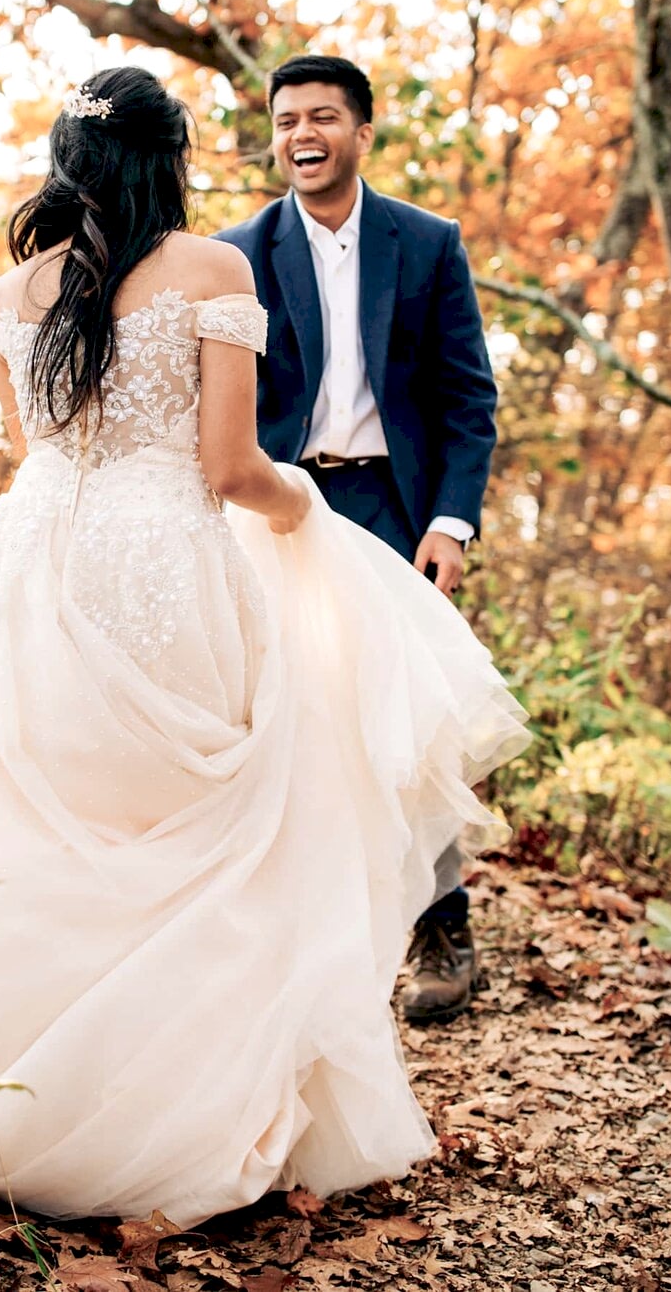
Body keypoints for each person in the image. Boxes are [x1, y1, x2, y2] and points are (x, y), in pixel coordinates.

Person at [0, 64, 527, 1226]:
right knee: (198, 829)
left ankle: (13, 1093)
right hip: (162, 568)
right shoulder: (210, 267)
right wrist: (305, 521)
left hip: (25, 567)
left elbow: (39, 453)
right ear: (170, 156)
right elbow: (230, 469)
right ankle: (174, 1116)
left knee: (35, 819)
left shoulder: (12, 288)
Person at [216, 54, 502, 1024]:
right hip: (268, 503)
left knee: (403, 719)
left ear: (361, 132)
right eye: (287, 118)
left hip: (392, 506)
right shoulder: (235, 253)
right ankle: (280, 931)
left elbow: (468, 397)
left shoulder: (425, 244)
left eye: (324, 116)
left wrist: (451, 522)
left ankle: (441, 926)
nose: (302, 133)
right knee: (274, 714)